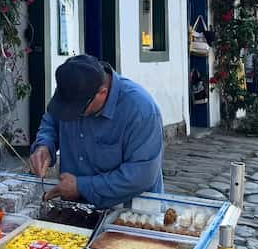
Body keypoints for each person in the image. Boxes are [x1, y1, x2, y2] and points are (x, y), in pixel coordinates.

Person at [30, 54, 164, 206]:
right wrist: (45, 145)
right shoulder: (72, 88)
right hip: (76, 208)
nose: (73, 115)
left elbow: (140, 177)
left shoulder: (141, 110)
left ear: (102, 93)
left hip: (129, 214)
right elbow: (52, 120)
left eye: (78, 111)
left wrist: (81, 187)